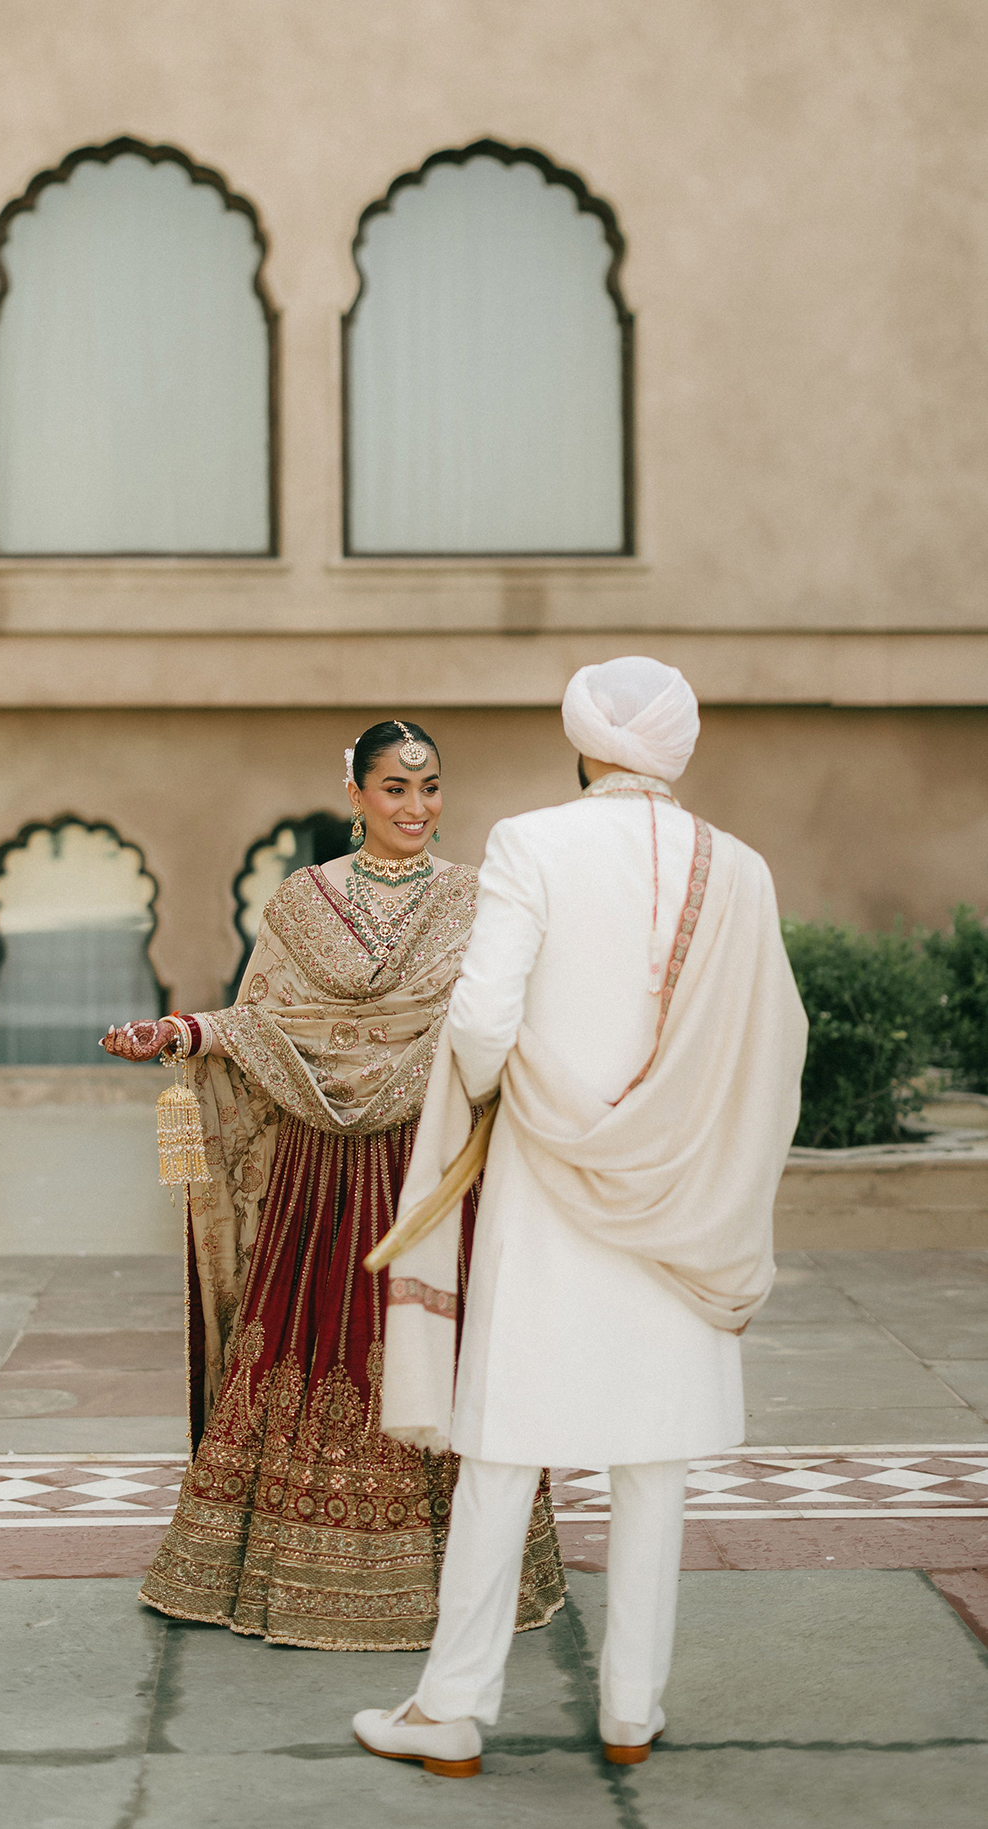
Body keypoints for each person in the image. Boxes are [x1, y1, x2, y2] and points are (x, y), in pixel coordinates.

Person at [352, 658, 807, 1773]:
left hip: (548, 1188)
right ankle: (630, 1711)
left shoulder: (529, 842)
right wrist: (690, 1136)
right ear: (675, 746)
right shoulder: (739, 870)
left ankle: (451, 1709)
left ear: (584, 740)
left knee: (508, 1447)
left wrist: (521, 1100)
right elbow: (779, 1040)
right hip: (686, 1203)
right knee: (653, 1461)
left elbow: (480, 1017)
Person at [102, 719, 565, 1651]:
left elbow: (501, 1024)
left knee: (437, 1348)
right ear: (354, 795)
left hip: (430, 1171)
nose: (417, 808)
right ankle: (281, 1562)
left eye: (430, 789)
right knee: (311, 1351)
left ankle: (461, 1574)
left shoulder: (476, 899)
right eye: (395, 788)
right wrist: (182, 1034)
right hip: (318, 1181)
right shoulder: (300, 902)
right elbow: (269, 1020)